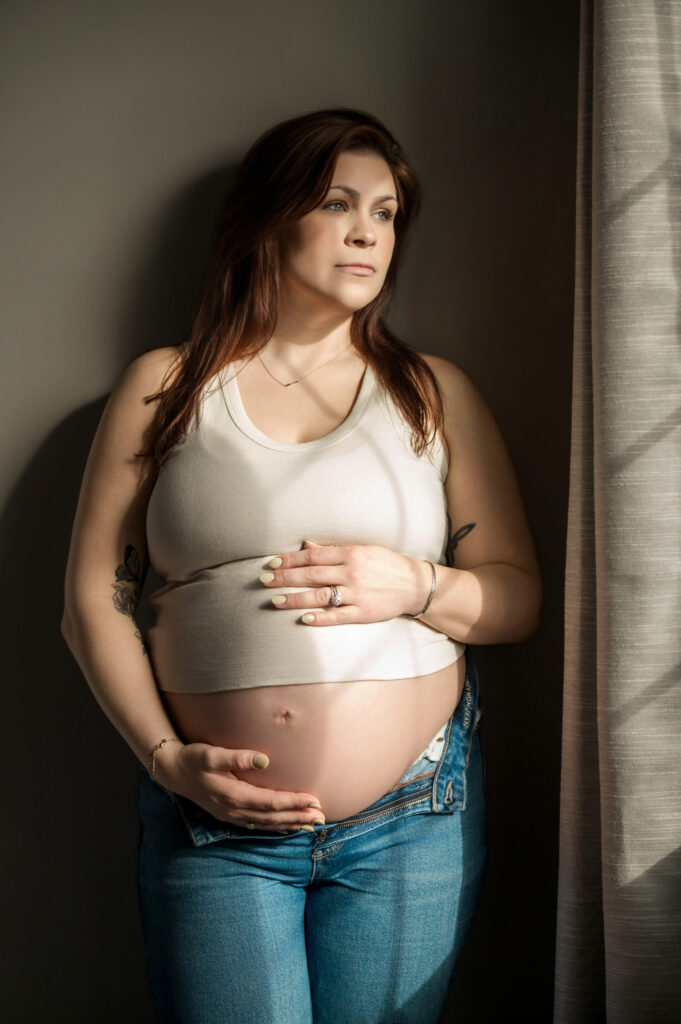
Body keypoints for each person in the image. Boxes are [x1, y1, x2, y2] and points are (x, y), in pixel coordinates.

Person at [61, 107, 541, 1024]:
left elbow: (516, 599)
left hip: (412, 815)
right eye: (337, 203)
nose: (368, 230)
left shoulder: (432, 394)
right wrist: (166, 761)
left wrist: (419, 585)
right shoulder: (167, 387)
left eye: (388, 212)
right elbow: (93, 596)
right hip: (214, 819)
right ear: (268, 218)